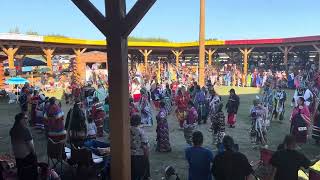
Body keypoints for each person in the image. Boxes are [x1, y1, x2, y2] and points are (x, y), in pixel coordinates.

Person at [10, 113, 38, 180]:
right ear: (20, 120)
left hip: (17, 157)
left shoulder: (12, 130)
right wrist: (34, 154)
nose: (27, 120)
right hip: (25, 157)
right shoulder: (25, 130)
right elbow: (31, 147)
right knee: (34, 156)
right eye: (25, 118)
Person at [130, 114, 150, 180]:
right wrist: (146, 154)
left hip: (130, 154)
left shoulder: (127, 130)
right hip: (140, 155)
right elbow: (144, 145)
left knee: (133, 172)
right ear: (139, 122)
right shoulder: (141, 131)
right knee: (141, 171)